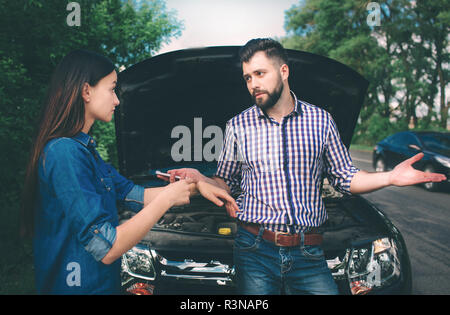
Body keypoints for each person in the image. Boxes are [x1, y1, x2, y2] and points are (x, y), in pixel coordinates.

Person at [162, 38, 447, 295]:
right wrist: (201, 178)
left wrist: (390, 177)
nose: (253, 84)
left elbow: (346, 178)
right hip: (254, 249)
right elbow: (227, 183)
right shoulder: (238, 126)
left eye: (260, 74)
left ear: (284, 71)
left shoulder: (320, 121)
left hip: (308, 252)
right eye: (248, 77)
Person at [20, 49, 237, 294]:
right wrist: (167, 198)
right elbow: (107, 248)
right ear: (86, 91)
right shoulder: (65, 153)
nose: (117, 100)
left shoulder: (87, 152)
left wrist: (199, 183)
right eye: (112, 89)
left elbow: (136, 194)